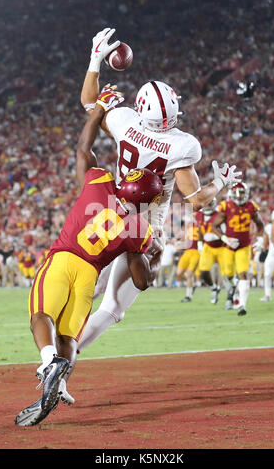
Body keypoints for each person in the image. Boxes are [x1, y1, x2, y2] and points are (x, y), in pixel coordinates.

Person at [77, 27, 242, 352]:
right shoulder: (182, 145)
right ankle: (63, 361)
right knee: (112, 308)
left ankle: (53, 353)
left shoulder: (124, 120)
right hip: (144, 229)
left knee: (87, 289)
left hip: (109, 216)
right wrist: (220, 183)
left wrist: (95, 59)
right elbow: (196, 201)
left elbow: (88, 103)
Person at [15, 93, 164, 427]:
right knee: (69, 336)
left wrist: (98, 110)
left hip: (64, 258)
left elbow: (84, 147)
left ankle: (47, 362)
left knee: (42, 314)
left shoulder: (100, 182)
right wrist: (150, 256)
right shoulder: (139, 228)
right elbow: (142, 281)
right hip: (89, 275)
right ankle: (61, 380)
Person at [212, 182, 264, 316]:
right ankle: (234, 287)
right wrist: (225, 238)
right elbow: (214, 226)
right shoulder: (226, 206)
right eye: (237, 192)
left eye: (242, 192)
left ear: (246, 193)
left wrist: (260, 239)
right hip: (228, 246)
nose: (239, 195)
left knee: (243, 273)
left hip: (244, 246)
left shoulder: (251, 206)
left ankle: (242, 305)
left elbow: (260, 225)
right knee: (228, 274)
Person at [195, 198, 225, 304]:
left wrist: (216, 236)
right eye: (206, 204)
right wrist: (199, 243)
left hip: (222, 246)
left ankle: (232, 296)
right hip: (208, 246)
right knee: (203, 272)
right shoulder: (198, 215)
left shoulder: (220, 215)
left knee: (227, 274)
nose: (207, 206)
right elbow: (200, 230)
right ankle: (214, 288)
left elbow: (226, 232)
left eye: (209, 204)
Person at [176, 217, 200, 302]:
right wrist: (180, 244)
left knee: (189, 274)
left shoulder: (200, 226)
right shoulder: (188, 227)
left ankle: (188, 296)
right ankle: (191, 285)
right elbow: (185, 239)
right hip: (187, 252)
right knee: (179, 273)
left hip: (196, 252)